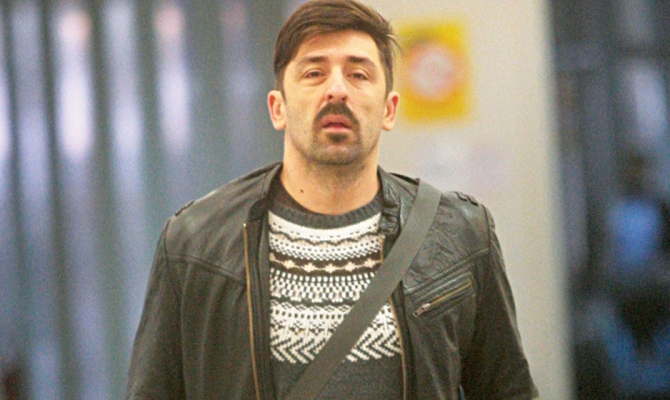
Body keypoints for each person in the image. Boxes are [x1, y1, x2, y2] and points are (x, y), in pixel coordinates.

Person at [125, 0, 538, 398]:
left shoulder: (459, 234)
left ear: (389, 109)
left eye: (359, 74)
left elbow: (508, 391)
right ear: (278, 108)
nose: (337, 90)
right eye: (314, 73)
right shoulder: (195, 244)